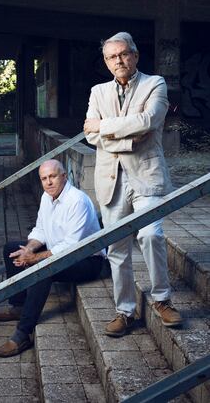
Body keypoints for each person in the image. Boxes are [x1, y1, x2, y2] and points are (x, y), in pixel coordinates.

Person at [84, 31, 183, 338]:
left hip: (146, 176)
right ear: (106, 61)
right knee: (117, 248)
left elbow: (149, 121)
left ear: (136, 56)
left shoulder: (155, 84)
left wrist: (105, 127)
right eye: (112, 56)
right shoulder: (98, 91)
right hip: (111, 180)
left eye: (124, 54)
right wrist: (126, 140)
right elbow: (90, 135)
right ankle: (125, 311)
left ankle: (162, 300)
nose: (119, 61)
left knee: (151, 234)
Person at [0, 159, 105, 357]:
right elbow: (41, 230)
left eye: (52, 176)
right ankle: (18, 305)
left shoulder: (77, 201)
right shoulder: (47, 197)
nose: (48, 182)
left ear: (64, 176)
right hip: (61, 251)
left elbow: (70, 247)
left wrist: (35, 258)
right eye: (44, 178)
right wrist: (28, 250)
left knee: (43, 268)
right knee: (11, 248)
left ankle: (23, 334)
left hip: (88, 261)